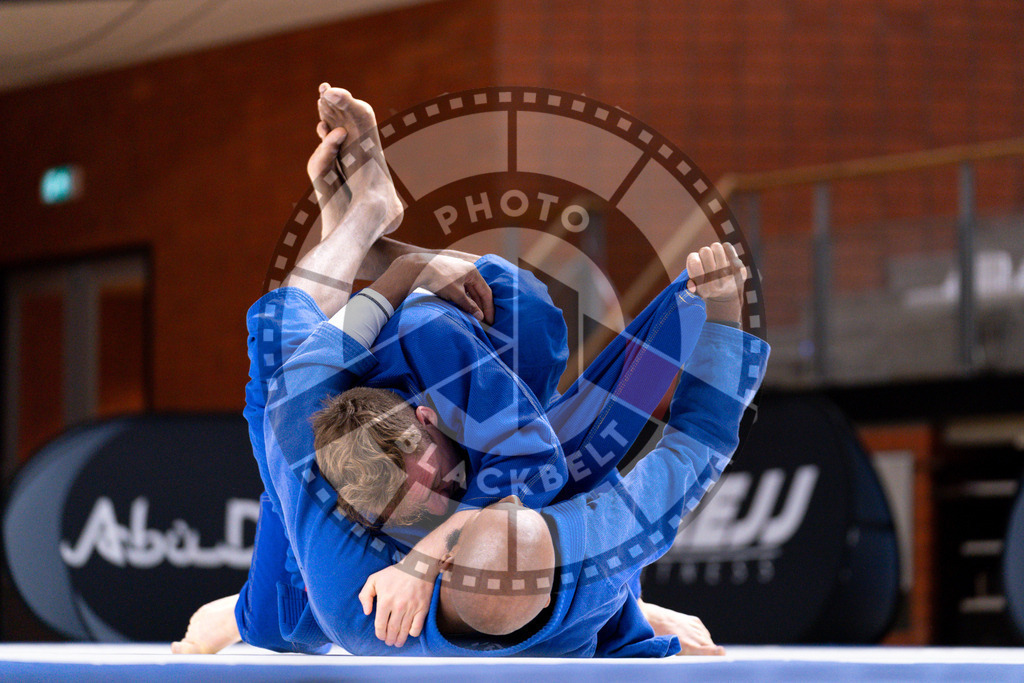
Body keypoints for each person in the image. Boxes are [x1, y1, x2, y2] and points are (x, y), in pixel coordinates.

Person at [174, 86, 754, 656]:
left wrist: (396, 267)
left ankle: (362, 219)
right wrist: (720, 314)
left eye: (440, 497)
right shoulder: (598, 544)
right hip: (481, 421)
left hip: (357, 450)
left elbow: (283, 340)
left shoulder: (353, 601)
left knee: (280, 619)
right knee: (529, 333)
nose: (442, 508)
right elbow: (691, 440)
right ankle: (368, 223)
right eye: (445, 502)